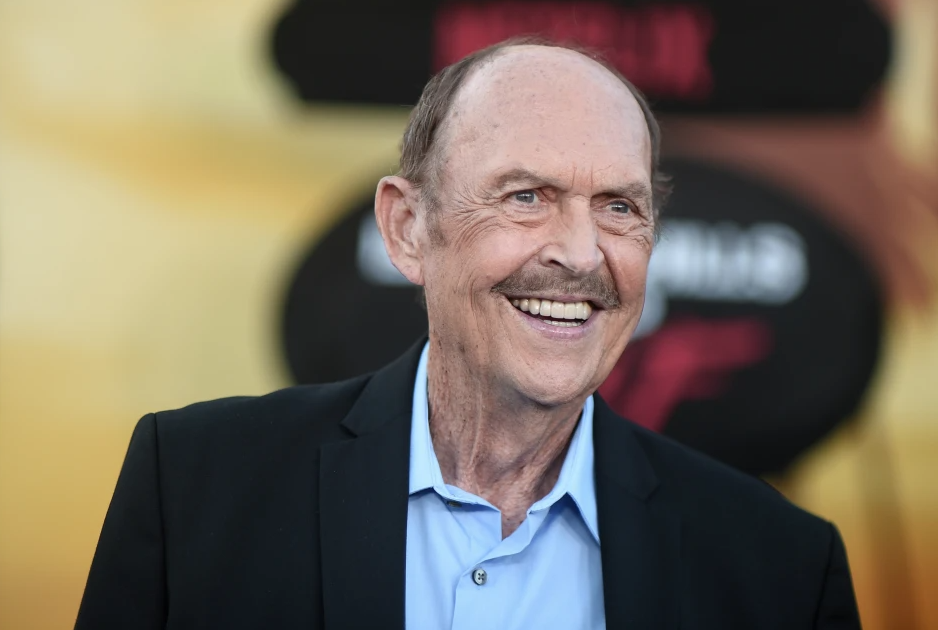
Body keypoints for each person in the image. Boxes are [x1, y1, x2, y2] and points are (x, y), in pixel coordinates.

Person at [75, 39, 861, 630]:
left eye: (619, 208)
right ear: (408, 228)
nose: (582, 254)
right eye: (527, 197)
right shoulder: (194, 491)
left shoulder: (781, 571)